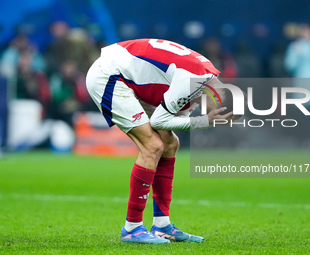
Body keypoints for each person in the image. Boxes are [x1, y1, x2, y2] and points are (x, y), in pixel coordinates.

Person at [86, 39, 236, 244]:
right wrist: (205, 121)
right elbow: (159, 120)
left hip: (127, 75)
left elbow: (171, 117)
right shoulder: (194, 80)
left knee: (170, 143)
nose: (212, 116)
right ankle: (132, 228)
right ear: (218, 100)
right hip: (109, 75)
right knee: (152, 145)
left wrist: (206, 119)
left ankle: (162, 225)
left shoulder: (206, 80)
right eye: (217, 114)